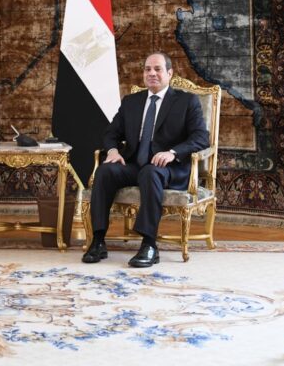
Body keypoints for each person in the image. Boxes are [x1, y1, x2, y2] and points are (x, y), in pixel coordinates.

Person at [82, 52, 209, 268]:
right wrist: (112, 151)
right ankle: (98, 240)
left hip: (167, 169)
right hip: (134, 165)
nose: (152, 73)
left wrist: (173, 152)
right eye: (147, 69)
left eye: (157, 69)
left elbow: (201, 137)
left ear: (169, 73)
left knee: (150, 173)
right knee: (105, 171)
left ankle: (149, 245)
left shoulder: (186, 101)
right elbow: (111, 133)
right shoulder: (131, 102)